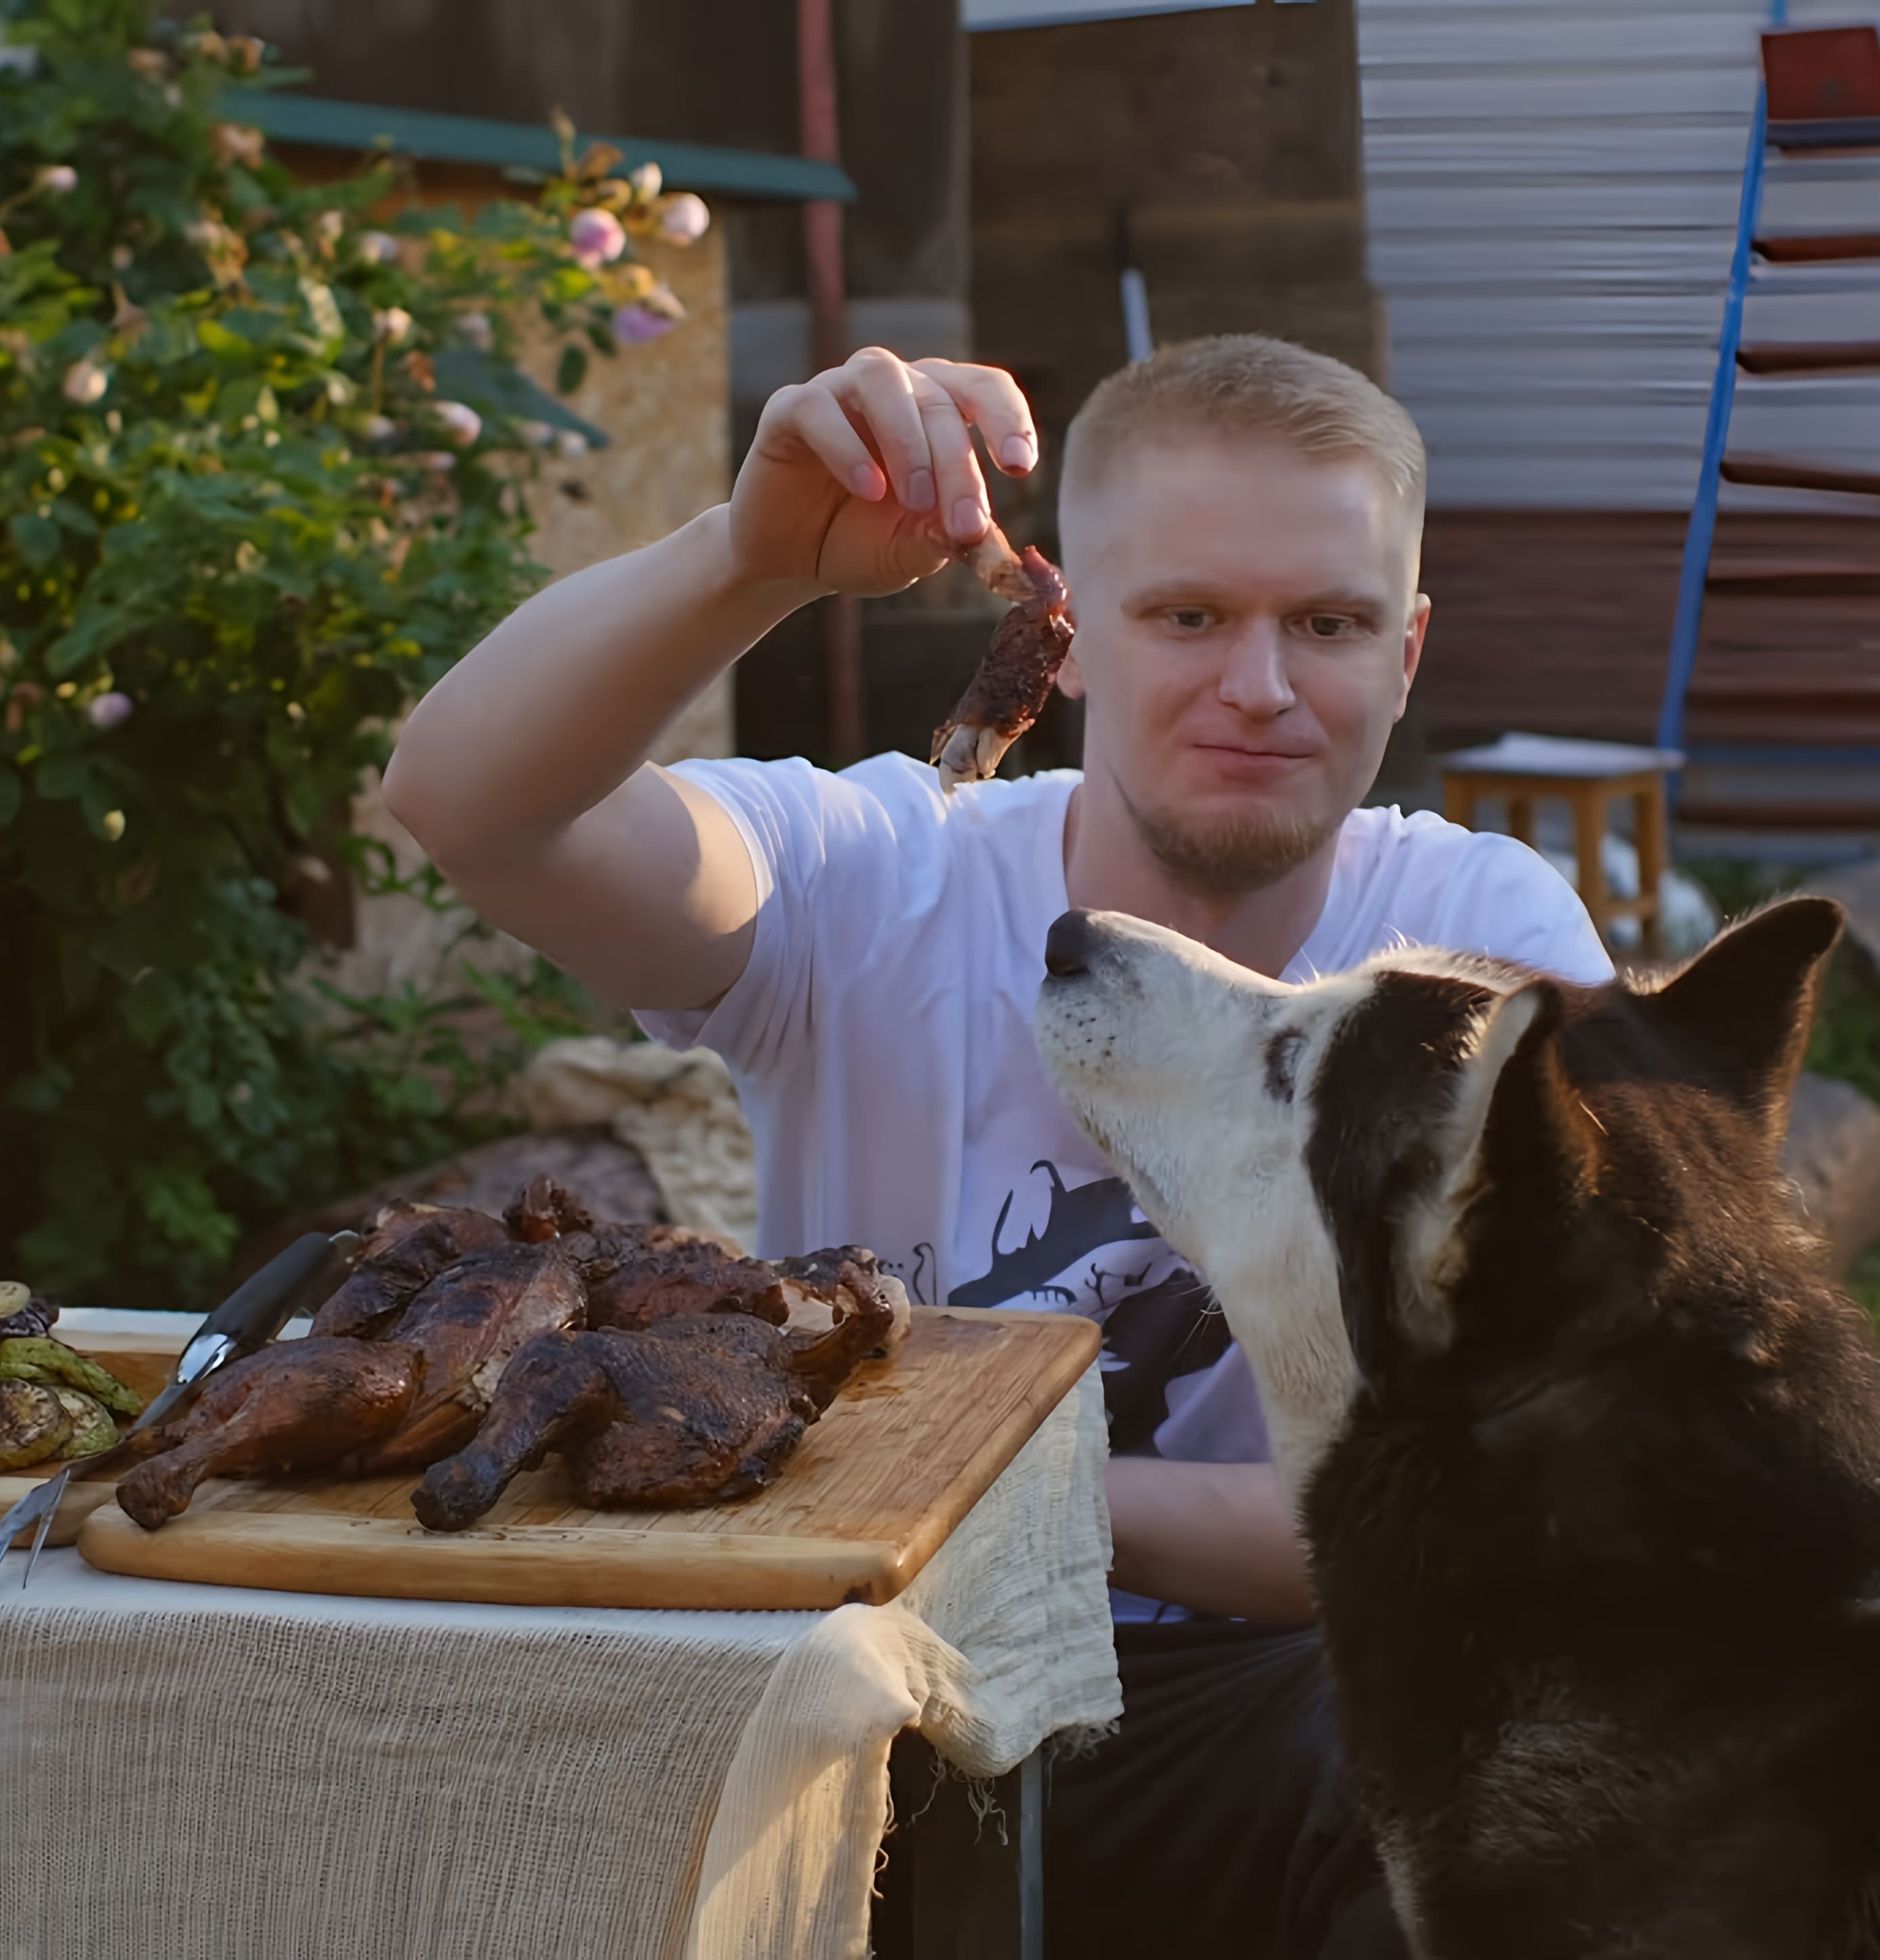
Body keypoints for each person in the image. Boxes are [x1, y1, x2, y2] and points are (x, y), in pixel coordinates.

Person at [385, 333, 1612, 1959]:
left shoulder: (1473, 947)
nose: (1260, 685)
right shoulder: (876, 880)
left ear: (1405, 652)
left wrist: (1013, 1479)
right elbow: (467, 802)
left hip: (1239, 1701)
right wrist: (745, 558)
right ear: (1074, 631)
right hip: (857, 1680)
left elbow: (1508, 1510)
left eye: (1327, 623)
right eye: (1187, 616)